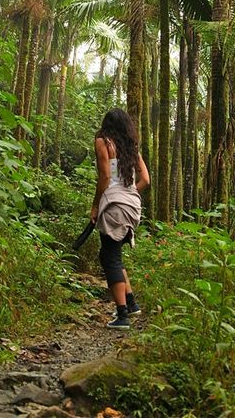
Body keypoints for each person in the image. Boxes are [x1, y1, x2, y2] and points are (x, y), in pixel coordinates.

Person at [90, 108, 150, 329]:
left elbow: (105, 176)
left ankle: (122, 315)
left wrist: (96, 204)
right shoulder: (131, 148)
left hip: (114, 207)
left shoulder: (103, 142)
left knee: (110, 258)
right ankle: (131, 304)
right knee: (113, 255)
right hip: (132, 206)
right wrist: (129, 193)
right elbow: (145, 179)